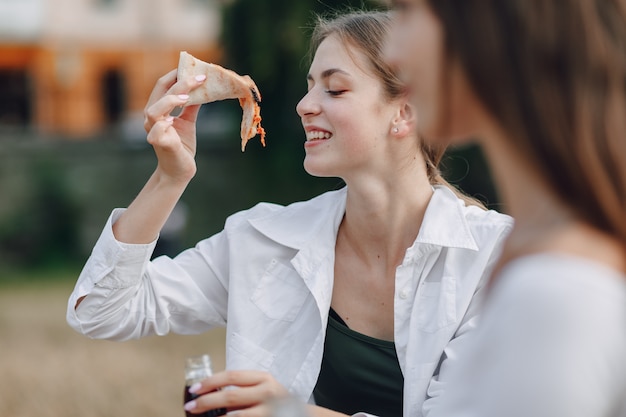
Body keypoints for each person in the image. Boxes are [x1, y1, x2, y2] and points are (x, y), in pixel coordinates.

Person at [66, 10, 512, 417]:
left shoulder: (496, 259)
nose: (304, 105)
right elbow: (101, 311)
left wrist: (290, 413)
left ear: (406, 112)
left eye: (334, 88)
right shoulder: (261, 239)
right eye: (309, 85)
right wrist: (170, 177)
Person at [385, 1, 626, 416]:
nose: (391, 53)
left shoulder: (554, 293)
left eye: (405, 12)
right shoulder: (547, 262)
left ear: (483, 22)